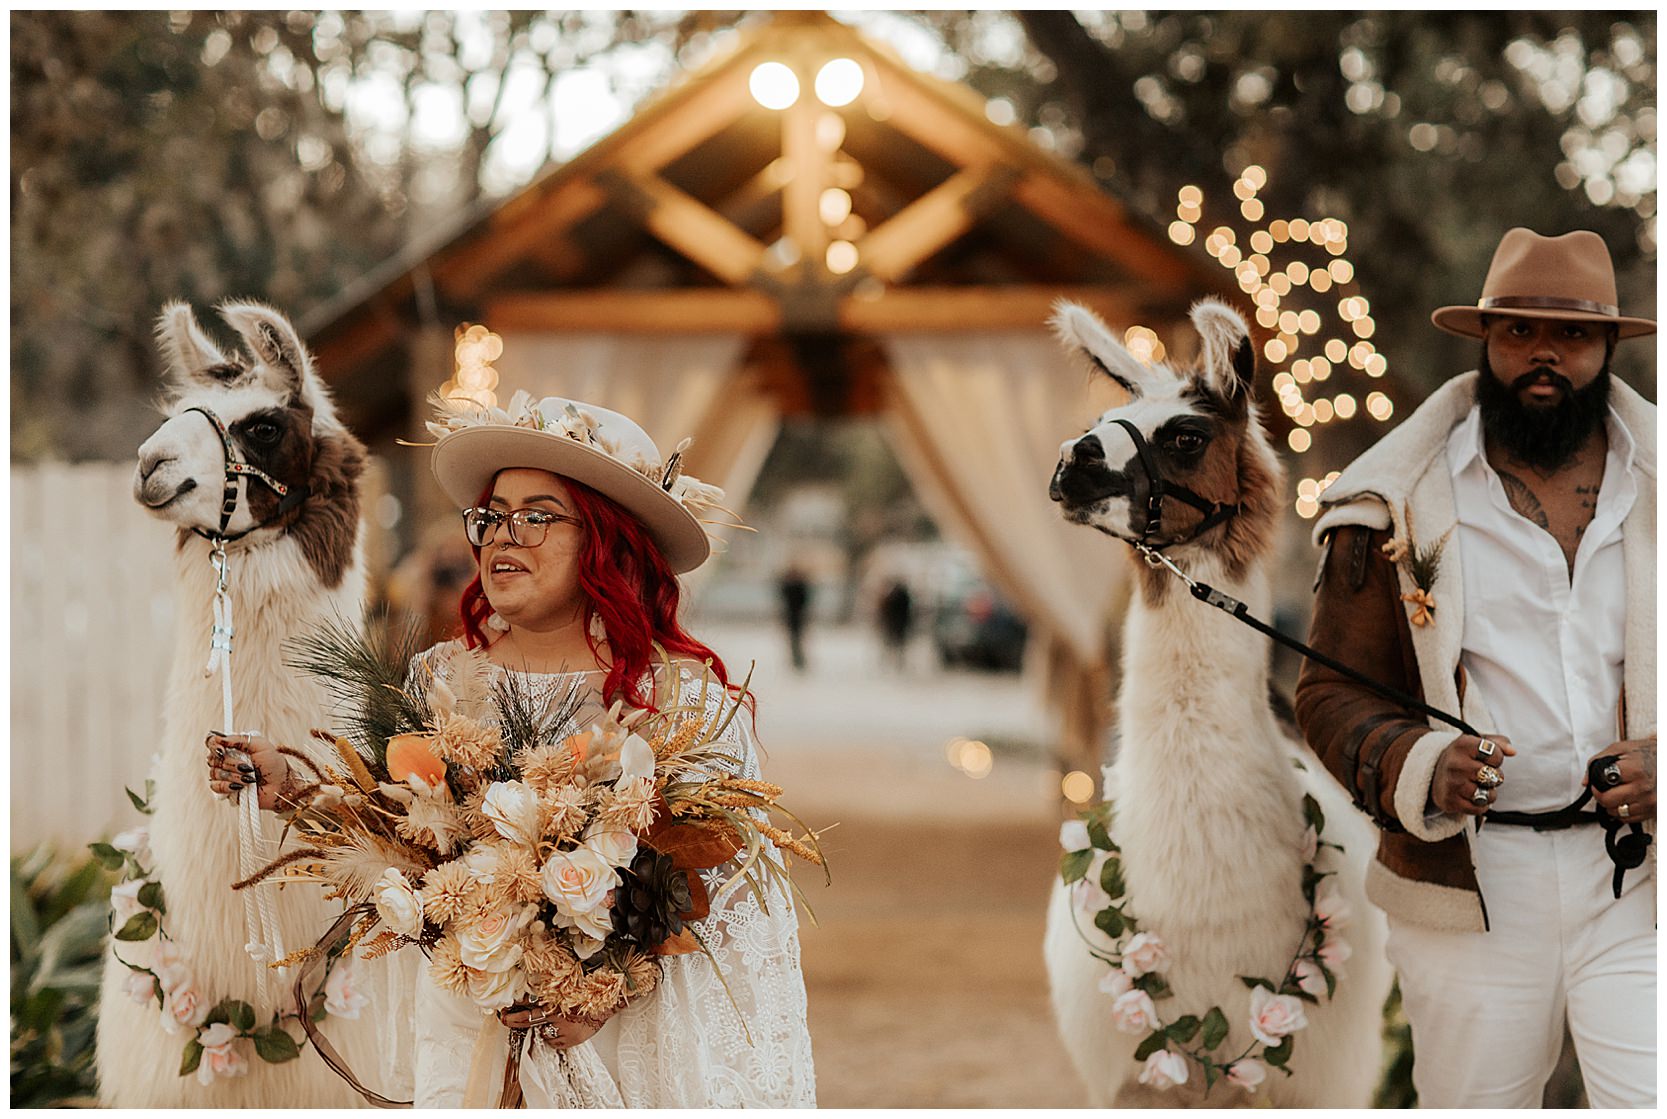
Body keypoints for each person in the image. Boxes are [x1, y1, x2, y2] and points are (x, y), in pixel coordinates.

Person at [207, 395, 816, 1107]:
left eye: (536, 515)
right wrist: (295, 785)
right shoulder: (440, 680)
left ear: (606, 538)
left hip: (614, 1042)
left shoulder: (680, 699)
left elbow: (728, 889)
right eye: (491, 516)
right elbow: (399, 832)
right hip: (468, 1026)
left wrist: (605, 986)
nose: (502, 535)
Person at [1293, 228, 1655, 1107]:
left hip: (1645, 885)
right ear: (1485, 341)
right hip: (1472, 885)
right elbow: (1327, 690)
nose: (1542, 355)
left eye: (1567, 336)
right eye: (1517, 332)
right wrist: (1419, 763)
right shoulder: (1391, 504)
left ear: (1607, 346)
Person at [778, 564, 812, 672]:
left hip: (797, 615)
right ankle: (796, 660)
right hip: (793, 615)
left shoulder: (797, 585)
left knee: (798, 638)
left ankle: (799, 660)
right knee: (794, 639)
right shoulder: (791, 585)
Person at [877, 579, 913, 671]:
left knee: (892, 644)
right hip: (899, 624)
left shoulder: (891, 597)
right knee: (896, 644)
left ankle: (891, 661)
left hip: (895, 624)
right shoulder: (903, 596)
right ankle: (895, 662)